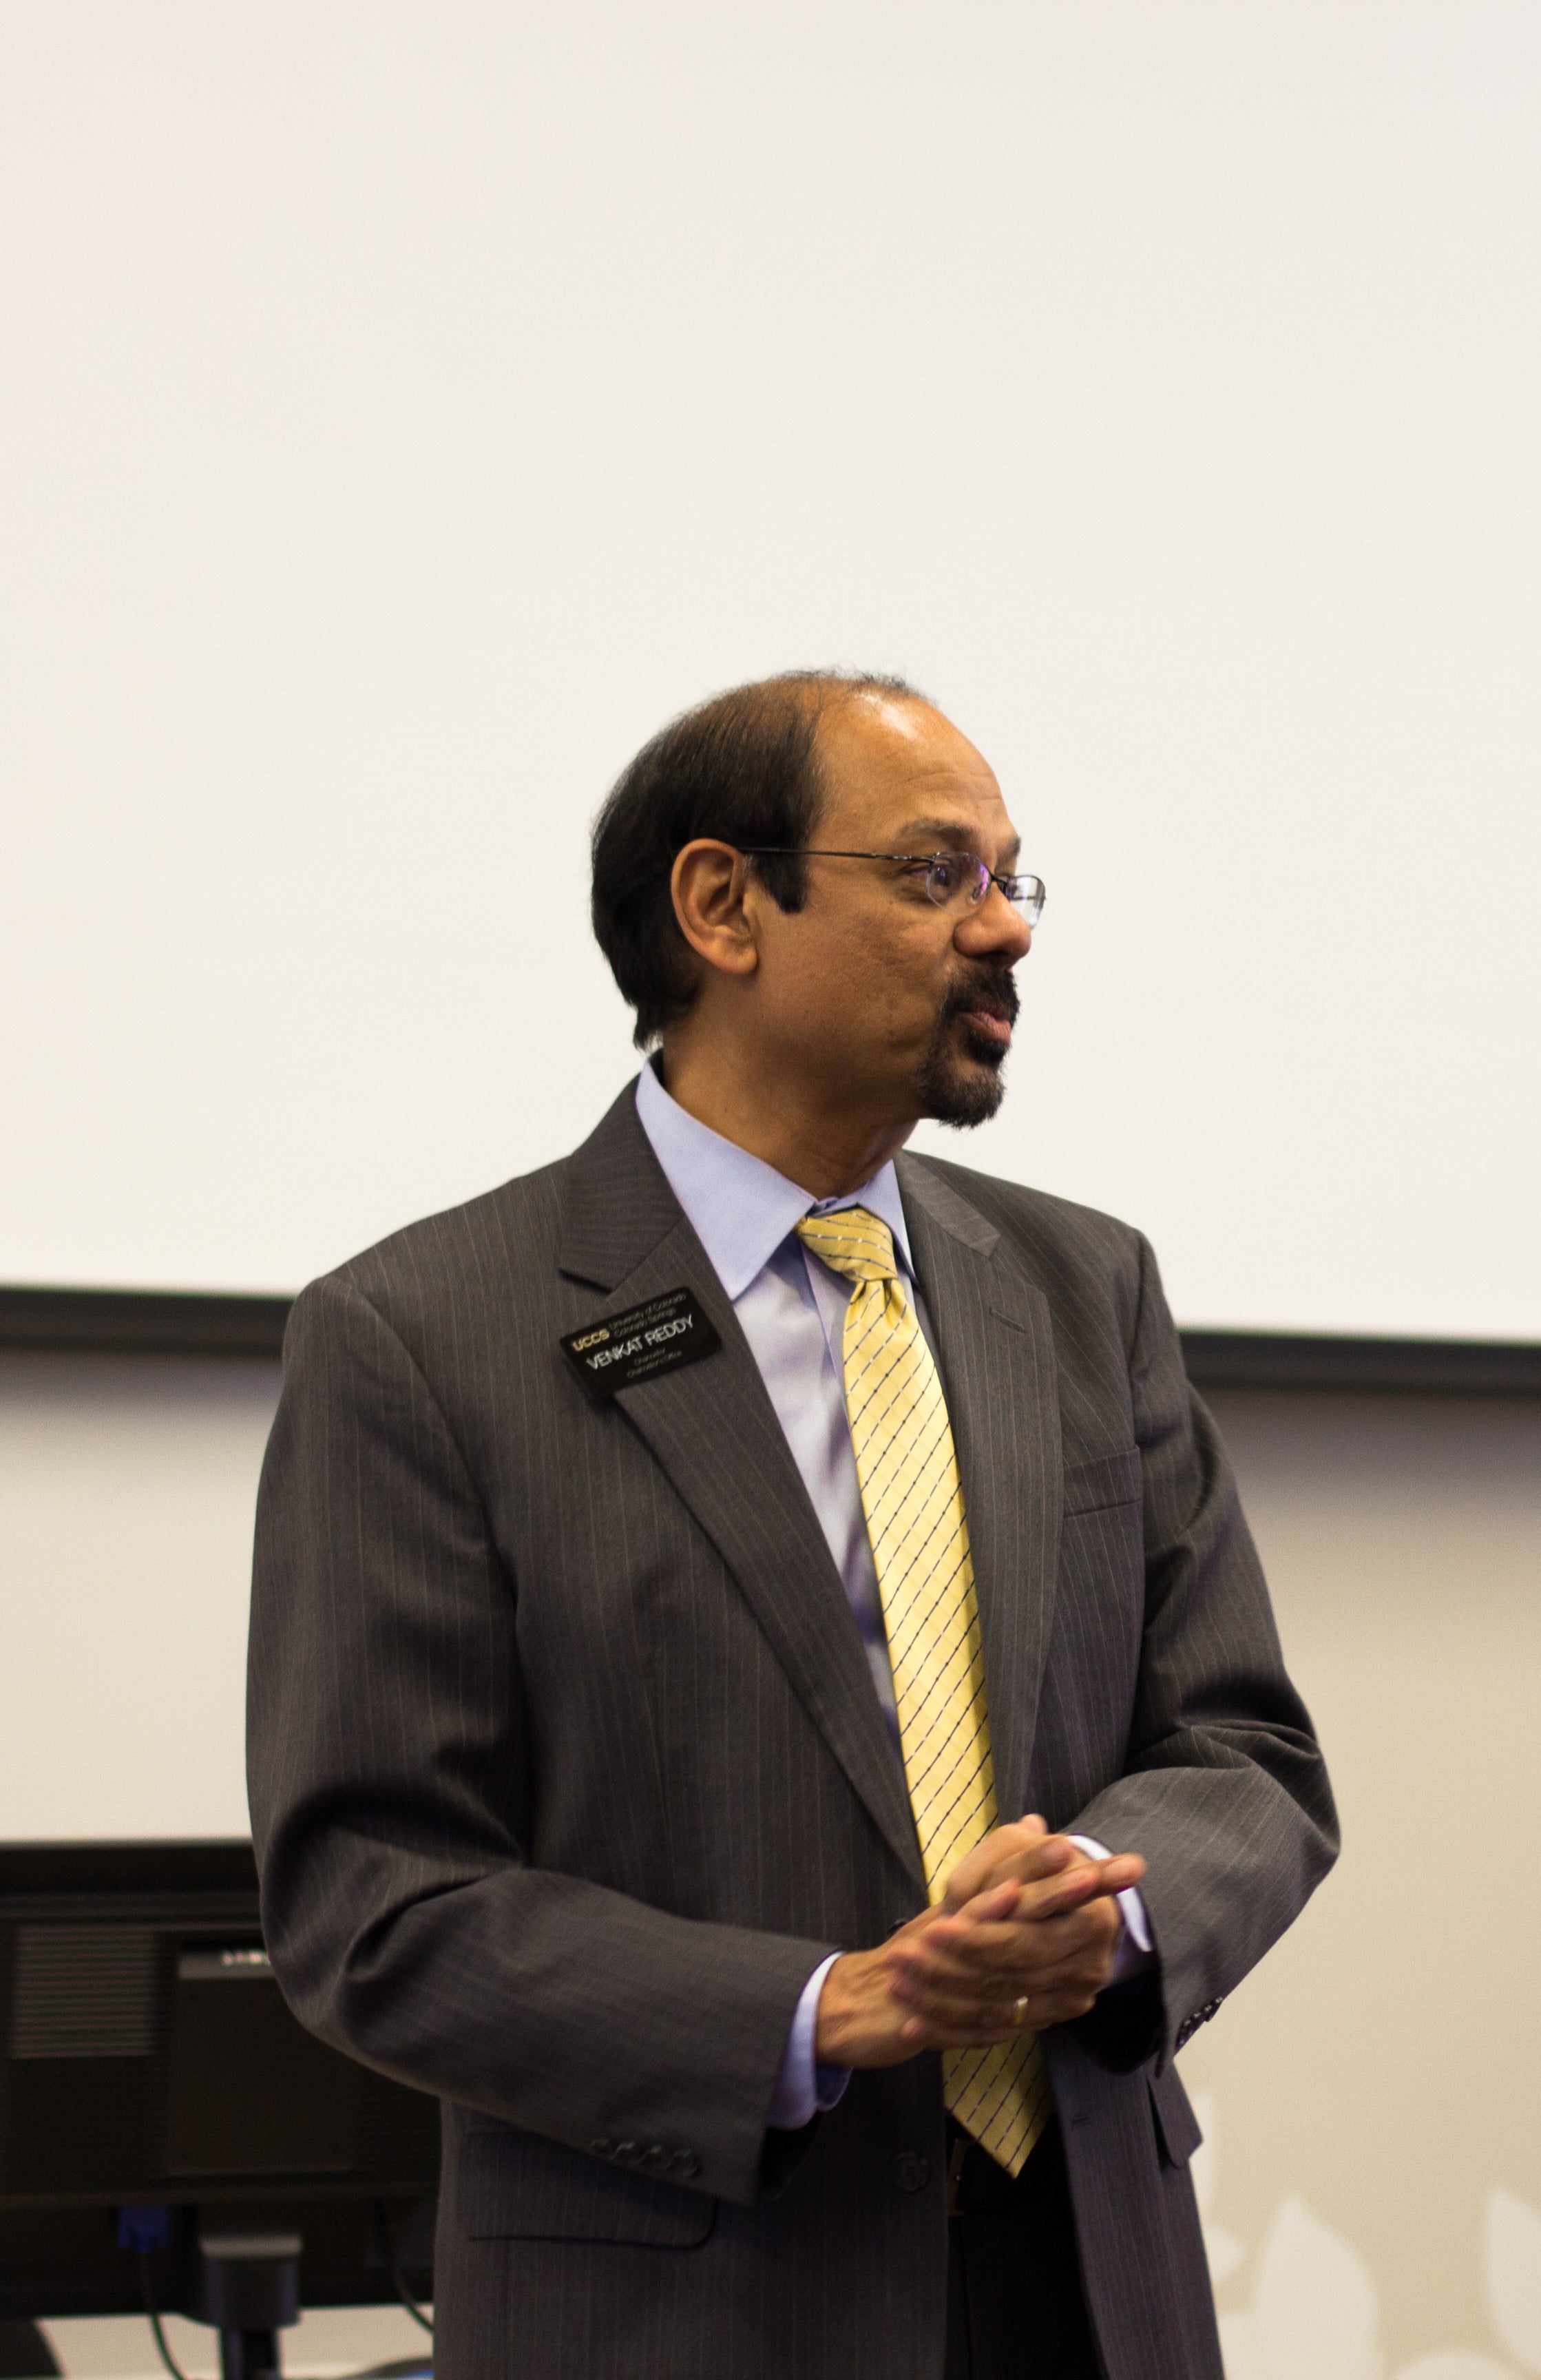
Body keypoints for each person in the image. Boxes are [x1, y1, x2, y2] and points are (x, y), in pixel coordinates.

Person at [247, 669, 1338, 2380]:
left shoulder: (1083, 1286)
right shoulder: (421, 1337)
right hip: (689, 2309)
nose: (1006, 933)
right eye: (935, 876)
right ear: (722, 907)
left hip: (1090, 2294)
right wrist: (829, 2009)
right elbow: (374, 1905)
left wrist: (1105, 1919)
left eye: (1011, 878)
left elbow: (1246, 1748)